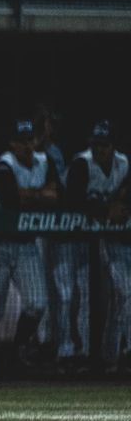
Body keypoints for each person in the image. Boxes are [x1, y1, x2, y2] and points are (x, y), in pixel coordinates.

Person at [0, 120, 58, 374]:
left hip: (26, 244)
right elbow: (11, 199)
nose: (27, 145)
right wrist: (40, 194)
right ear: (12, 143)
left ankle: (13, 352)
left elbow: (57, 195)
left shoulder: (45, 161)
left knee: (38, 303)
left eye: (30, 139)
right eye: (22, 141)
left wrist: (30, 195)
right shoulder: (4, 164)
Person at [60, 121, 129, 368]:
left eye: (104, 145)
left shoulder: (123, 163)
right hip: (71, 238)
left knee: (123, 293)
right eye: (96, 145)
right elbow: (73, 202)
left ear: (113, 146)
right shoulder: (82, 163)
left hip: (106, 238)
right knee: (71, 296)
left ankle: (112, 352)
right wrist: (106, 208)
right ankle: (77, 353)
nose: (99, 150)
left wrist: (122, 206)